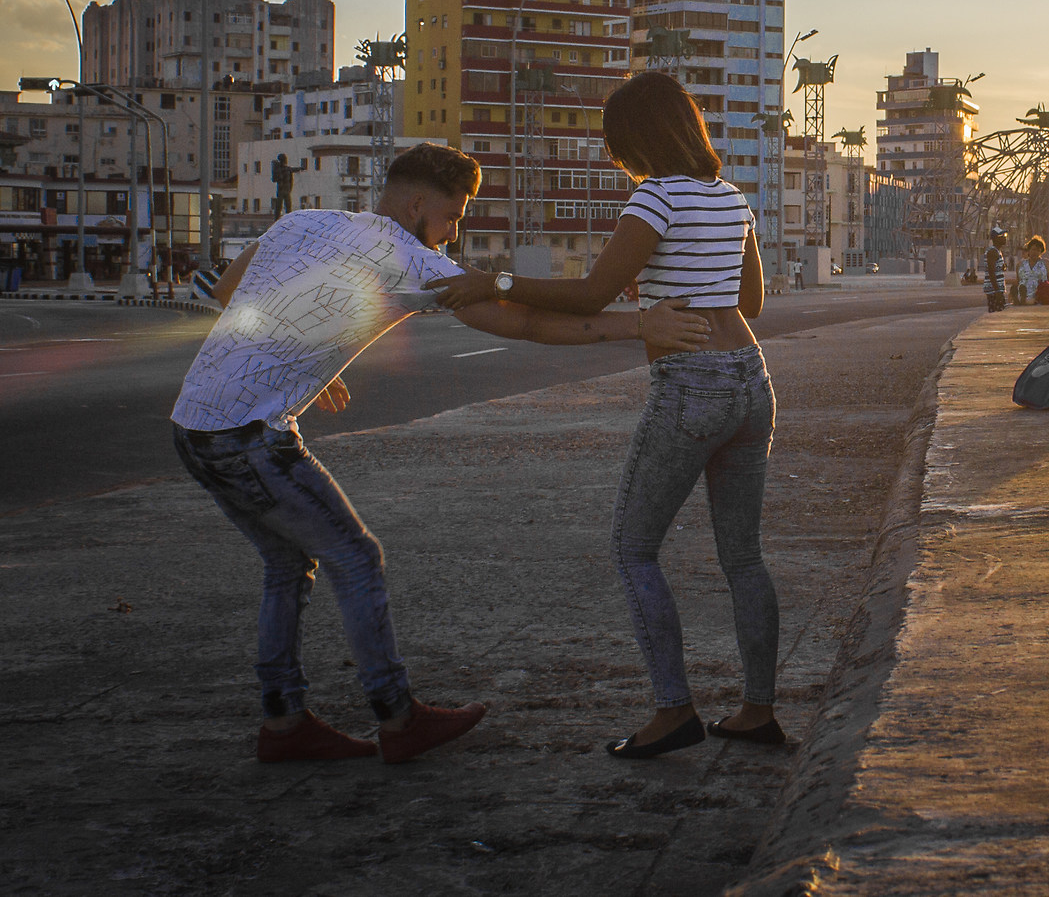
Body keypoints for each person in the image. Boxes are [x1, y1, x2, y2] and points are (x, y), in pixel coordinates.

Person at [171, 142, 713, 766]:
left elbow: (233, 293)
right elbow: (528, 323)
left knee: (289, 566)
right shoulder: (415, 262)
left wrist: (302, 367)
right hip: (249, 439)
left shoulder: (306, 220)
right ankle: (398, 719)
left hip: (193, 426)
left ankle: (285, 723)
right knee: (355, 556)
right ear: (418, 202)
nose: (454, 232)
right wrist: (641, 325)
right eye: (453, 216)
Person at [433, 72, 782, 759]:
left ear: (639, 138)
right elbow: (752, 301)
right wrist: (678, 280)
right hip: (751, 378)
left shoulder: (656, 196)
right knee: (743, 556)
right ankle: (758, 710)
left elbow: (592, 292)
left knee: (633, 548)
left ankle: (673, 709)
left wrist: (495, 281)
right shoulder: (731, 198)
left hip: (692, 383)